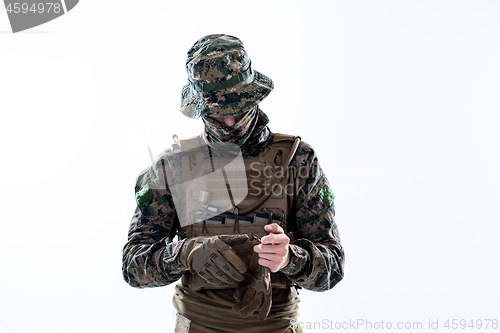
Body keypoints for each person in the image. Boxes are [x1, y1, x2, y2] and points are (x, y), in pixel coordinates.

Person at [122, 34, 345, 333]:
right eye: (216, 113)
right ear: (200, 108)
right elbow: (133, 266)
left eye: (238, 110)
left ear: (254, 98)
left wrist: (289, 258)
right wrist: (184, 253)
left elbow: (333, 267)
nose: (228, 123)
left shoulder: (298, 160)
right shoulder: (173, 166)